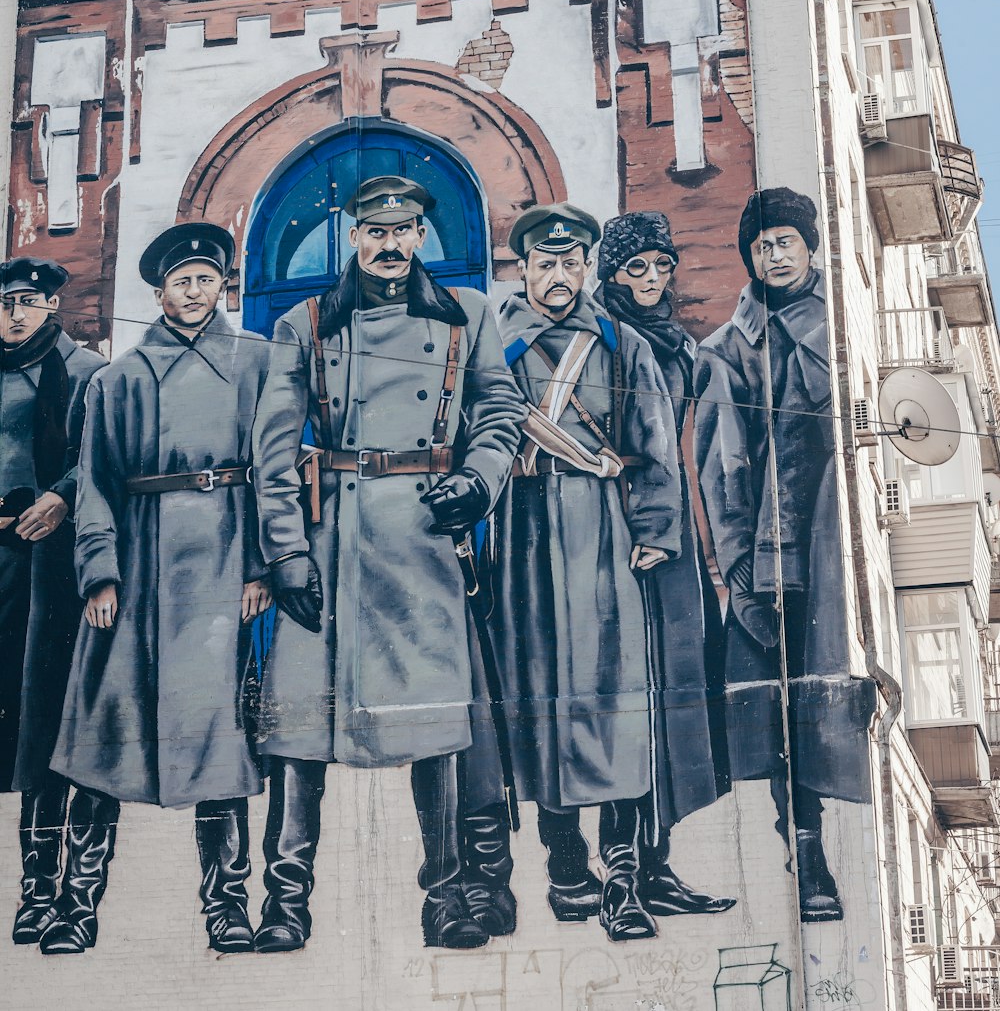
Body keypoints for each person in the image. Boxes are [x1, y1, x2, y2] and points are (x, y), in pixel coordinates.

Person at [251, 176, 525, 954]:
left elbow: (500, 411)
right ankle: (287, 901)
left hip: (422, 532)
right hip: (333, 535)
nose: (392, 245)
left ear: (420, 238)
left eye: (405, 231)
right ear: (353, 236)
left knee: (433, 723)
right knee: (300, 725)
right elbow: (271, 454)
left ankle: (443, 896)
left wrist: (477, 482)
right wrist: (286, 554)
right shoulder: (303, 324)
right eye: (376, 231)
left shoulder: (467, 315)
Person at [44, 223, 272, 955]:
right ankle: (77, 907)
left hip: (221, 566)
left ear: (223, 286)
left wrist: (262, 565)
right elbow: (96, 486)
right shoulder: (119, 381)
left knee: (219, 742)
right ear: (159, 293)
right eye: (182, 281)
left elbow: (276, 473)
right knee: (103, 739)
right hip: (137, 573)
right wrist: (99, 573)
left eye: (207, 279)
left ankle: (228, 908)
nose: (195, 291)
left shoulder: (259, 364)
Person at [490, 203, 682, 943]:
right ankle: (566, 865)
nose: (560, 276)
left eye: (573, 264)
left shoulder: (621, 344)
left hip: (602, 537)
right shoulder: (496, 347)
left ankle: (624, 879)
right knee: (539, 702)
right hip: (525, 537)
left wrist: (656, 530)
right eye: (547, 264)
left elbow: (653, 440)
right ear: (525, 270)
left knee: (617, 705)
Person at [693, 188, 875, 923]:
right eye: (761, 244)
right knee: (781, 703)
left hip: (835, 543)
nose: (773, 255)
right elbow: (720, 460)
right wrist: (736, 556)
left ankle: (828, 844)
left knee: (829, 691)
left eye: (785, 242)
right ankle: (806, 852)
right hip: (772, 552)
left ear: (810, 248)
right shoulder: (729, 349)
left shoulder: (845, 332)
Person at [593, 212, 734, 918]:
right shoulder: (601, 337)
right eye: (634, 268)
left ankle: (656, 865)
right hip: (613, 533)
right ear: (611, 274)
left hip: (672, 536)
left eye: (658, 267)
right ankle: (615, 871)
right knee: (624, 700)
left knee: (675, 702)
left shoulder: (681, 343)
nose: (649, 280)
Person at [0, 259, 104, 946]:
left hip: (52, 566)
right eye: (6, 303)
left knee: (44, 718)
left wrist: (62, 493)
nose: (15, 315)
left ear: (52, 305)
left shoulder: (88, 371)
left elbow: (103, 453)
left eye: (29, 302)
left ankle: (45, 889)